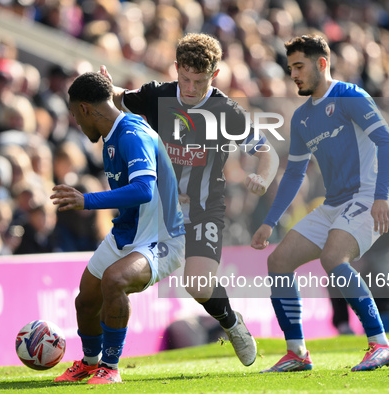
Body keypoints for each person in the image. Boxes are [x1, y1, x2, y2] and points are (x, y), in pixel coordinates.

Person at [101, 33, 280, 367]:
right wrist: (103, 84)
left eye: (199, 81)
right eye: (185, 79)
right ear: (176, 69)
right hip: (157, 209)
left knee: (198, 285)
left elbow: (266, 151)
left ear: (213, 75)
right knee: (117, 278)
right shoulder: (157, 95)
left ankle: (232, 324)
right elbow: (117, 97)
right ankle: (98, 359)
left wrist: (263, 178)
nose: (191, 88)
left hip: (203, 210)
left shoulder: (225, 111)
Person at [251, 34, 389, 373]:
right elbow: (293, 174)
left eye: (299, 66)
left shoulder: (350, 96)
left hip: (365, 196)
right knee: (278, 261)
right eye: (290, 68)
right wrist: (270, 221)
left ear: (322, 63)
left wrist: (381, 196)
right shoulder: (302, 117)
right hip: (335, 204)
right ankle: (297, 353)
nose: (294, 75)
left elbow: (387, 144)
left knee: (334, 257)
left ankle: (381, 343)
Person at [50, 72, 185, 384]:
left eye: (74, 115)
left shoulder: (130, 134)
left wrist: (87, 200)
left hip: (164, 236)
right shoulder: (113, 132)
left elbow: (143, 190)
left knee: (115, 280)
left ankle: (110, 368)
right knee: (85, 299)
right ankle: (89, 362)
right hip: (127, 231)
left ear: (84, 109)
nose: (76, 123)